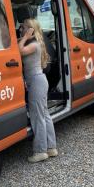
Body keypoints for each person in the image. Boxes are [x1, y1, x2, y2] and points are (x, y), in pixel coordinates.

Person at [18, 18, 58, 162]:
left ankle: (40, 151)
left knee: (37, 117)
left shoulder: (33, 44)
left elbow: (18, 51)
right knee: (44, 114)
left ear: (31, 30)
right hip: (38, 80)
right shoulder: (36, 43)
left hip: (36, 81)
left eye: (24, 28)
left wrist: (25, 37)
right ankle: (51, 147)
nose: (21, 30)